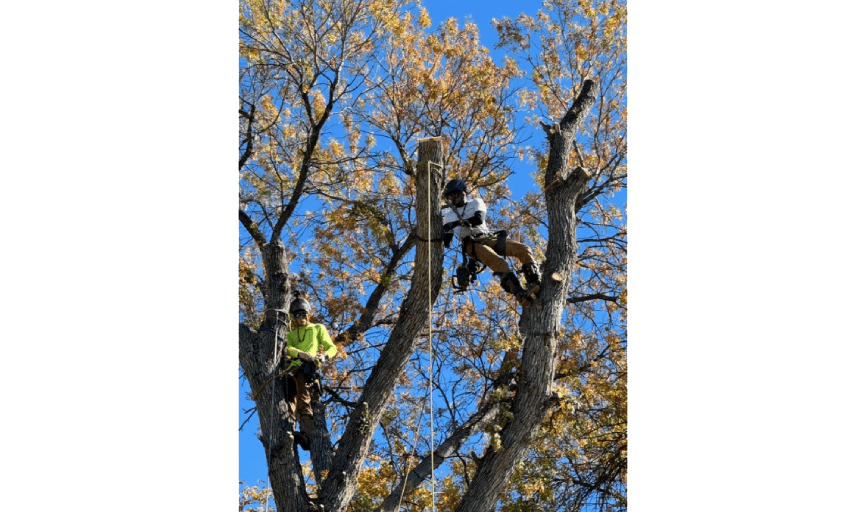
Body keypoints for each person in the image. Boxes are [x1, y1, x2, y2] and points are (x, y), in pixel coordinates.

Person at [441, 178, 541, 305]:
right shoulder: (449, 216)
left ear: (463, 192)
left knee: (523, 249)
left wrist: (455, 223)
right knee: (499, 263)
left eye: (454, 194)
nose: (453, 199)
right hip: (471, 244)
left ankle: (534, 281)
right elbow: (447, 242)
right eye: (449, 197)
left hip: (487, 237)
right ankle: (520, 293)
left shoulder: (475, 202)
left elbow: (478, 219)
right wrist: (444, 231)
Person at [282, 294, 337, 451]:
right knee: (290, 399)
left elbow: (332, 347)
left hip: (308, 369)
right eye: (297, 315)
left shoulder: (317, 328)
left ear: (308, 314)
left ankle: (306, 435)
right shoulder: (291, 335)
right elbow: (286, 349)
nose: (300, 318)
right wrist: (300, 353)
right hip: (292, 369)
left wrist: (324, 355)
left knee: (304, 400)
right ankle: (289, 428)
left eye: (303, 314)